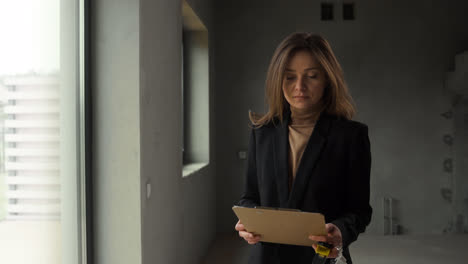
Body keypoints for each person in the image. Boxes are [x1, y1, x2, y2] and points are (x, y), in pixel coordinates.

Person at [234, 32, 372, 264]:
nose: (300, 86)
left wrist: (339, 231)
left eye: (312, 76)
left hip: (321, 258)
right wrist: (247, 222)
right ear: (278, 80)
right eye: (289, 77)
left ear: (327, 79)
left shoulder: (351, 136)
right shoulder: (262, 132)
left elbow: (359, 211)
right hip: (266, 259)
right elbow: (249, 197)